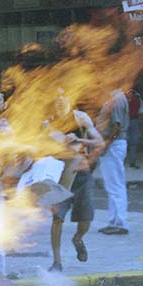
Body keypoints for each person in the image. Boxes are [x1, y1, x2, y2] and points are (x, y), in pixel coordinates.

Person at [46, 94, 105, 272]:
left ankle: (78, 238)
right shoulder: (48, 123)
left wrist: (79, 140)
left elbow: (99, 142)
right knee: (57, 218)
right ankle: (57, 261)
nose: (60, 102)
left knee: (85, 218)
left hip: (82, 175)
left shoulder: (81, 118)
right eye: (57, 100)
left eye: (64, 99)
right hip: (61, 177)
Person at [96, 89, 130, 235]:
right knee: (114, 185)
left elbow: (116, 127)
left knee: (115, 185)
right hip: (114, 145)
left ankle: (120, 223)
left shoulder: (116, 99)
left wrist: (105, 145)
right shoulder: (116, 97)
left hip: (113, 146)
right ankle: (114, 221)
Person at [126, 89, 143, 169]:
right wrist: (141, 126)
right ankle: (132, 161)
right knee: (133, 143)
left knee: (122, 142)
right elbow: (141, 114)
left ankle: (120, 161)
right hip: (134, 120)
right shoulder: (138, 100)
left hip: (124, 121)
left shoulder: (122, 100)